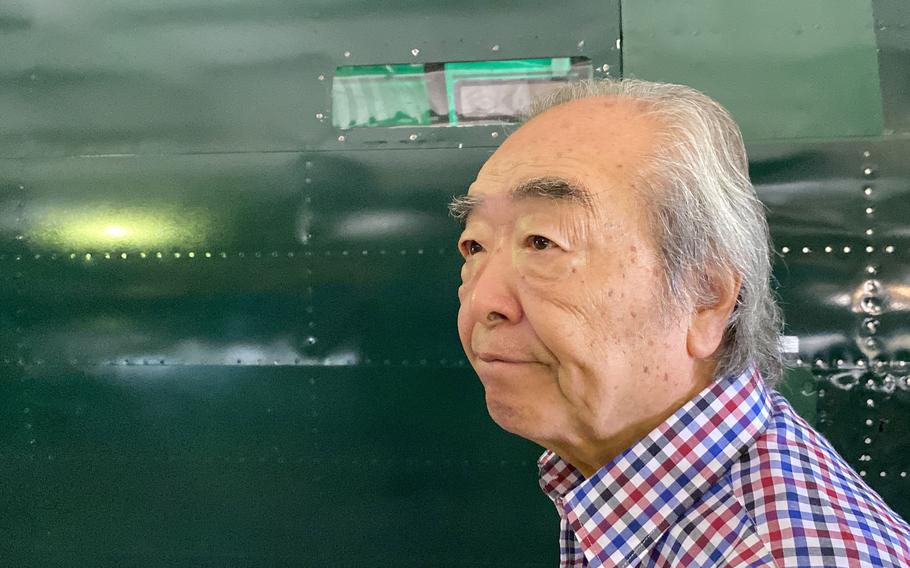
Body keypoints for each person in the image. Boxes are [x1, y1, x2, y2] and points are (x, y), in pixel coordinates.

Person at [449, 79, 910, 567]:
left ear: (706, 297)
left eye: (542, 241)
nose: (481, 302)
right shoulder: (627, 483)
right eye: (474, 246)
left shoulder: (765, 555)